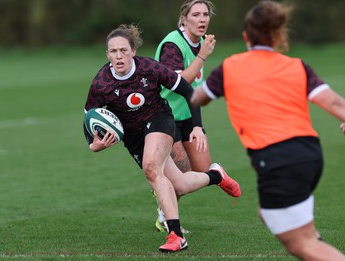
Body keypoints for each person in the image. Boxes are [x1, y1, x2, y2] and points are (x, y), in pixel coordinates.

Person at [191, 1, 345, 260]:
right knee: (278, 219)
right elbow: (335, 103)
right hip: (310, 154)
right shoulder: (297, 66)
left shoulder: (230, 67)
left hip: (278, 159)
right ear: (278, 36)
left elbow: (198, 97)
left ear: (245, 37)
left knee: (302, 245)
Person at [83, 24, 241, 252]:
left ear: (133, 51)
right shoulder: (101, 82)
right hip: (134, 137)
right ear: (107, 54)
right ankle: (216, 176)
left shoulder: (149, 68)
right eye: (113, 51)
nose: (119, 56)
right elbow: (89, 115)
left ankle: (176, 235)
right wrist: (93, 144)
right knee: (181, 184)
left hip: (159, 120)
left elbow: (188, 91)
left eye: (123, 51)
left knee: (151, 169)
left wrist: (197, 126)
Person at [153, 0, 240, 233]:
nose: (202, 19)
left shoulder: (201, 42)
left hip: (189, 116)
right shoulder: (173, 44)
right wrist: (202, 57)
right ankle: (165, 218)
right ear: (184, 19)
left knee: (202, 171)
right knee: (181, 179)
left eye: (206, 14)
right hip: (165, 117)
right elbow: (180, 84)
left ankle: (164, 189)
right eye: (196, 15)